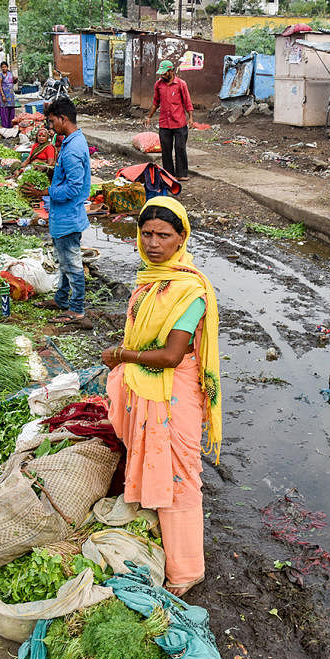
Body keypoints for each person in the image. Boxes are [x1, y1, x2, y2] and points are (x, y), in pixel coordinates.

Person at [101, 196, 221, 597]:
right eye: (147, 234)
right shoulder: (150, 281)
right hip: (150, 388)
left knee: (182, 478)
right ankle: (160, 529)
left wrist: (121, 356)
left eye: (164, 235)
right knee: (162, 469)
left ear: (181, 237)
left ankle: (187, 570)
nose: (153, 243)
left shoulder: (189, 290)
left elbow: (172, 355)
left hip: (174, 393)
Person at [25, 98, 90, 327]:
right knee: (63, 262)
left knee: (72, 264)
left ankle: (77, 309)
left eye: (52, 122)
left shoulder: (72, 149)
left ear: (63, 119)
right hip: (64, 215)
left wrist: (45, 191)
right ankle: (62, 299)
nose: (51, 127)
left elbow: (73, 188)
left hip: (68, 216)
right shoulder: (74, 141)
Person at [143, 60, 195, 183]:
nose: (162, 76)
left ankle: (182, 173)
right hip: (164, 123)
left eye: (164, 73)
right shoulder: (158, 85)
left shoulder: (181, 84)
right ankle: (168, 174)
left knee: (180, 148)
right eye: (161, 74)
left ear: (171, 71)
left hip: (179, 122)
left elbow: (187, 101)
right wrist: (149, 116)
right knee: (166, 150)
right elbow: (156, 102)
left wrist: (191, 118)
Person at [0, 61, 16, 129]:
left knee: (11, 110)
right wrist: (3, 95)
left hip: (10, 95)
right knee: (4, 110)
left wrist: (16, 79)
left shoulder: (10, 73)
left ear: (7, 67)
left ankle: (11, 125)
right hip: (4, 94)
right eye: (2, 67)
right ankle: (5, 126)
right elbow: (0, 86)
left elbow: (13, 82)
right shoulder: (0, 74)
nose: (4, 68)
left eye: (5, 67)